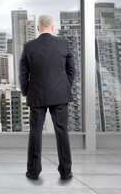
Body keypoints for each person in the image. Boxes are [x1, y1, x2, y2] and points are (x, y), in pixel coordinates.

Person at [19, 14, 75, 180]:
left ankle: (33, 171)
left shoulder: (29, 46)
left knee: (35, 132)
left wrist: (26, 92)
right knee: (62, 132)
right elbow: (71, 70)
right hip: (60, 95)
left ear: (38, 28)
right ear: (52, 27)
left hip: (37, 95)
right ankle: (66, 171)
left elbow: (23, 74)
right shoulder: (63, 43)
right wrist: (64, 87)